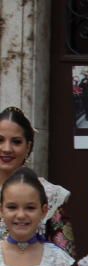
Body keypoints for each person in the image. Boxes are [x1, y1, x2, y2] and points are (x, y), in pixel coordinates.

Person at [0, 107, 76, 257]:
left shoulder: (49, 195)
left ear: (28, 146)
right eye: (0, 140)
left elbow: (66, 259)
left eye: (16, 142)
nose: (7, 149)